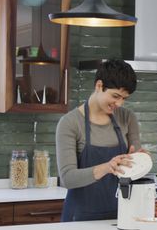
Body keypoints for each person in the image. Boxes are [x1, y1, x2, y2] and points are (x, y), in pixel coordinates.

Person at [56, 59, 141, 221]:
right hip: (79, 218)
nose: (119, 103)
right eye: (115, 96)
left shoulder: (127, 118)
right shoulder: (70, 123)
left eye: (124, 98)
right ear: (99, 86)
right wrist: (107, 167)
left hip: (120, 216)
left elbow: (132, 169)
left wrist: (140, 159)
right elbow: (68, 178)